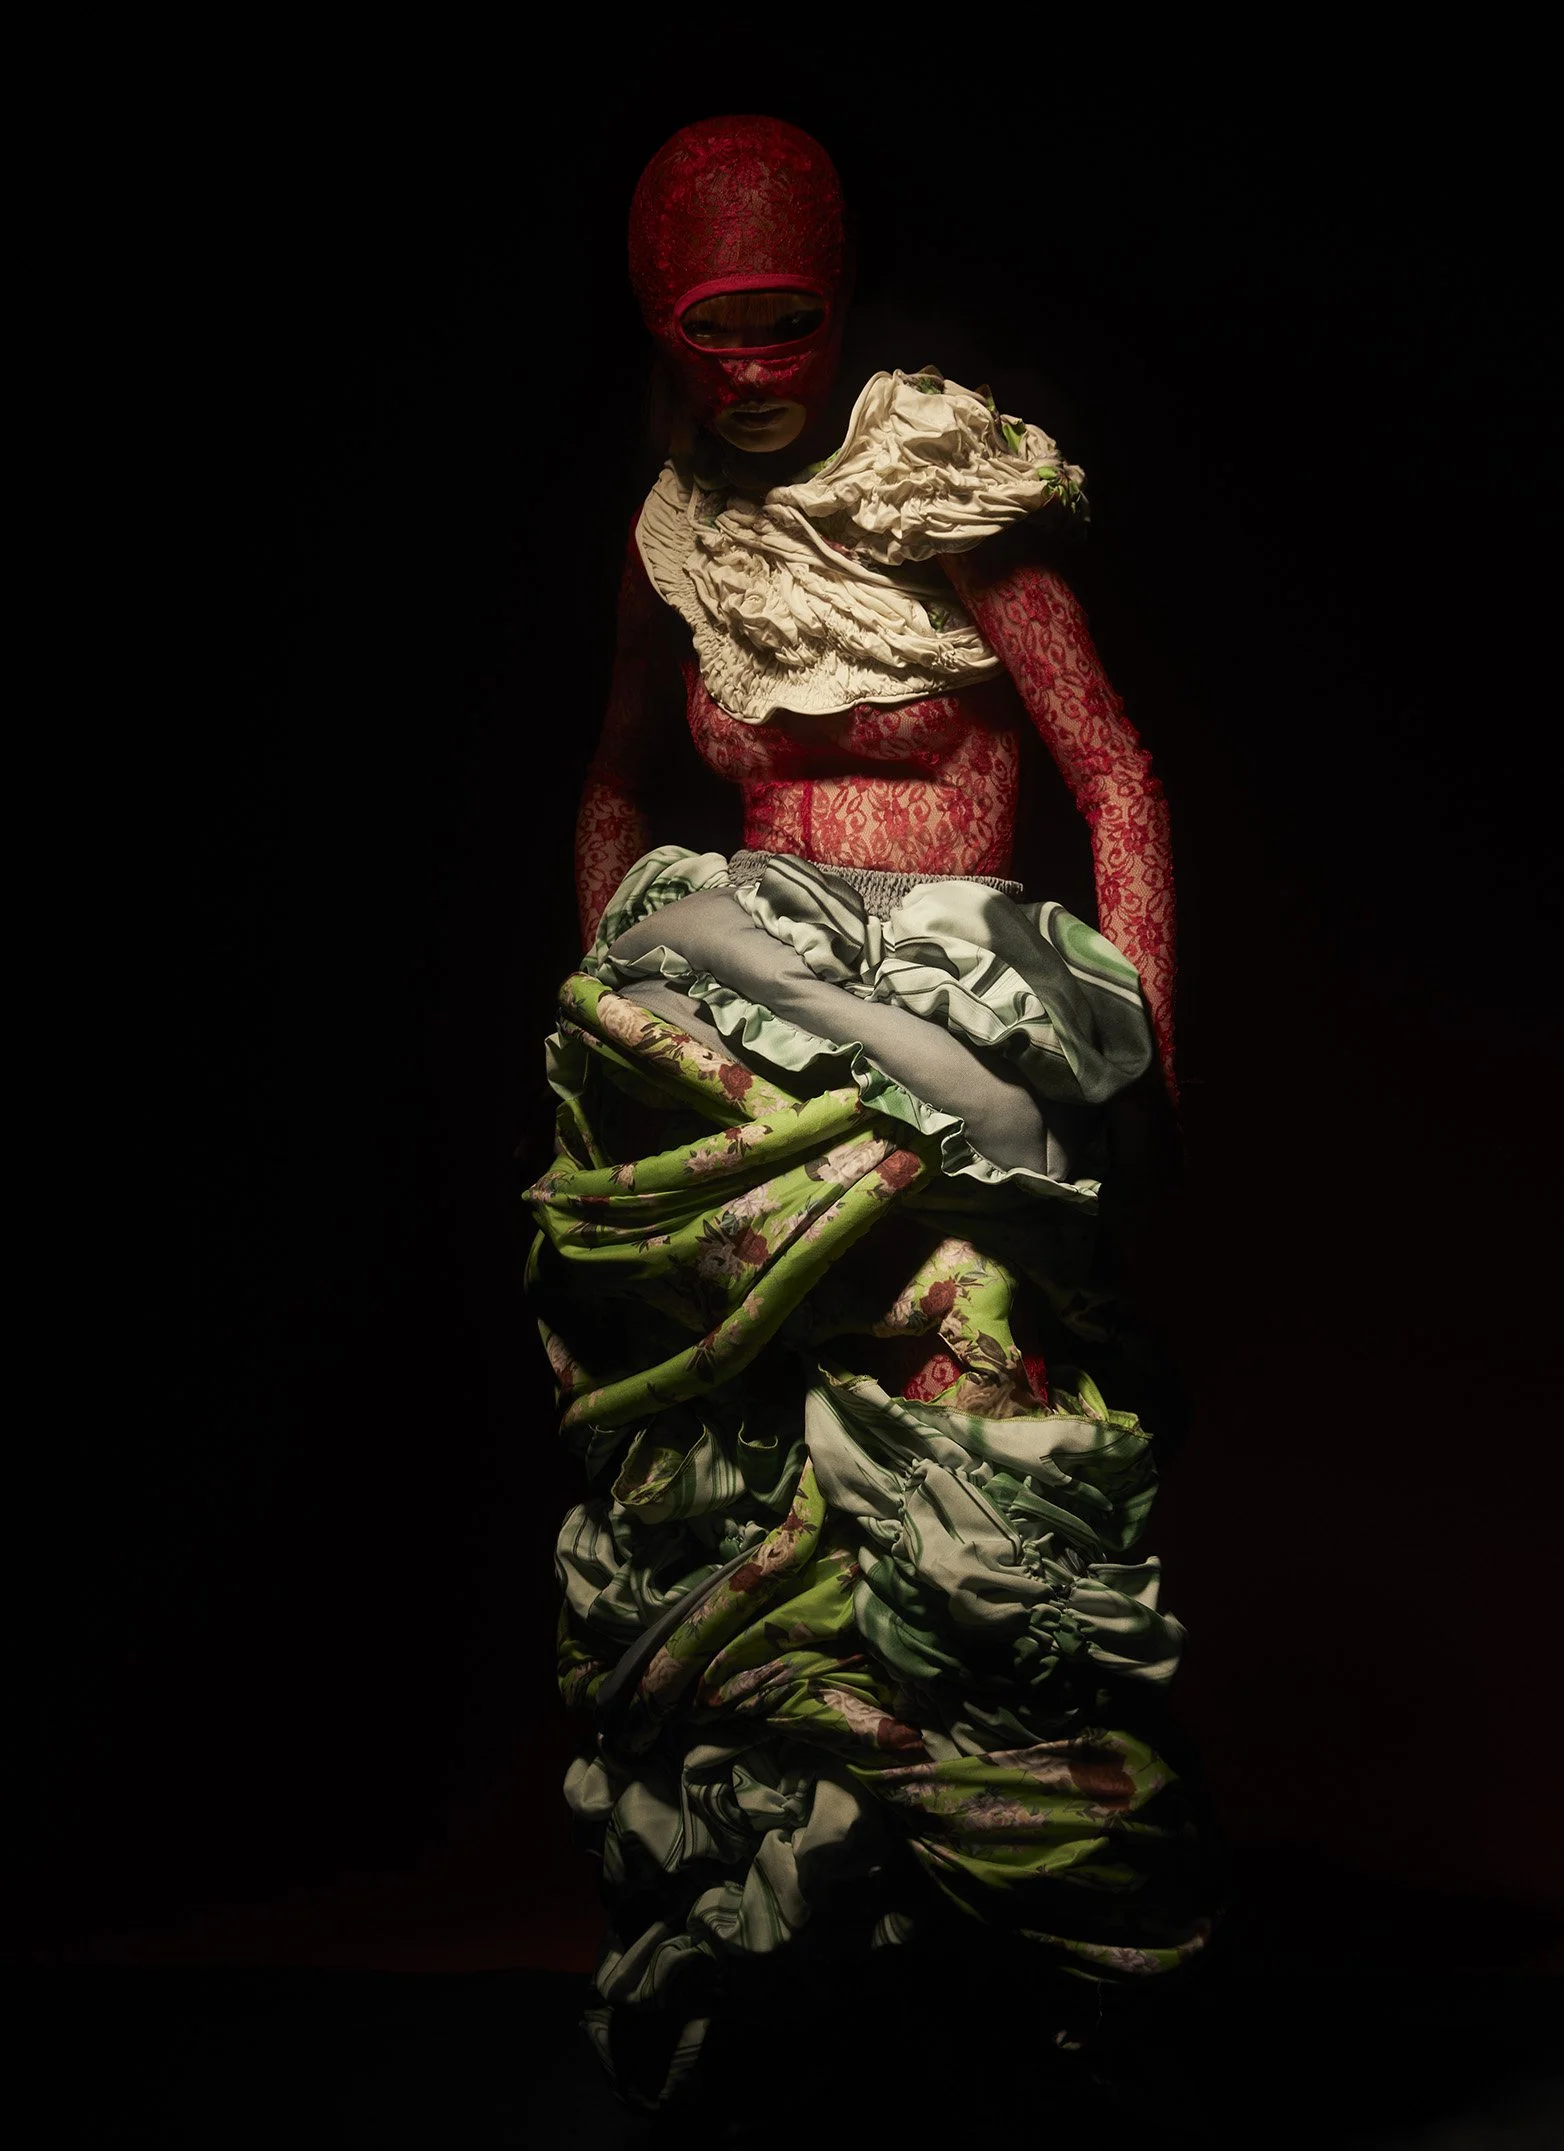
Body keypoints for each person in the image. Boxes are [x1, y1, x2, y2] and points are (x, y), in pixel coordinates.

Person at [526, 114, 1209, 2118]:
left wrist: (1144, 1072)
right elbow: (620, 777)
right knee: (744, 1499)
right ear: (657, 324)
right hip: (736, 1053)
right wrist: (613, 1007)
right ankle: (797, 1991)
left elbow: (1115, 774)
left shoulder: (935, 476)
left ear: (835, 301)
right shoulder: (674, 532)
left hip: (958, 1042)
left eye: (785, 321)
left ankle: (1041, 1990)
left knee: (980, 1467)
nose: (752, 368)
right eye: (709, 330)